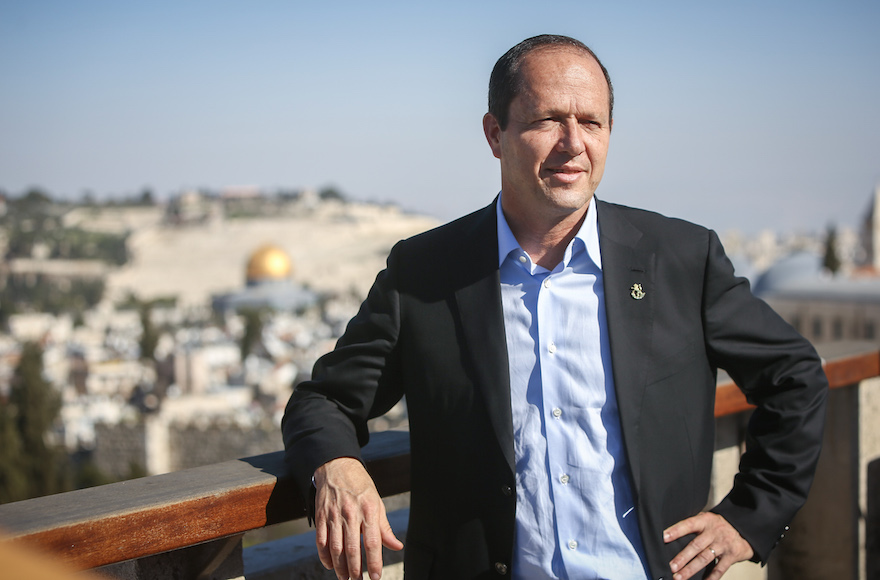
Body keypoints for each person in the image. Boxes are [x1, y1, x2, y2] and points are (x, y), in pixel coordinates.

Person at [282, 34, 828, 580]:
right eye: (548, 120)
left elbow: (795, 377)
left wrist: (749, 518)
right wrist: (336, 466)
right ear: (495, 135)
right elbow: (324, 400)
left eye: (592, 122)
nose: (573, 143)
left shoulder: (681, 259)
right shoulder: (425, 272)